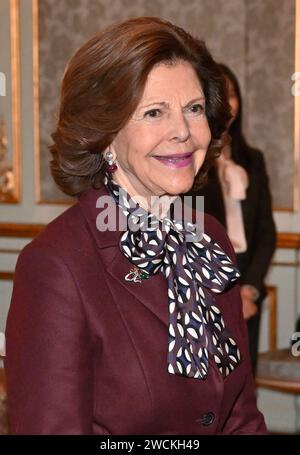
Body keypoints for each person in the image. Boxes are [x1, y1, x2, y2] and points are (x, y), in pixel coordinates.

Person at [5, 17, 266, 435]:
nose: (182, 131)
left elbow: (241, 417)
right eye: (153, 112)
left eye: (194, 109)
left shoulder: (211, 238)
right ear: (106, 134)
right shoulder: (56, 266)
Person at [186, 64, 276, 374]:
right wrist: (222, 292)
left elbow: (266, 232)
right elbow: (189, 231)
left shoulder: (253, 160)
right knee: (207, 379)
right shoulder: (189, 161)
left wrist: (249, 289)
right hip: (203, 283)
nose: (227, 103)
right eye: (219, 96)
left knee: (243, 377)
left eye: (233, 95)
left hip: (247, 279)